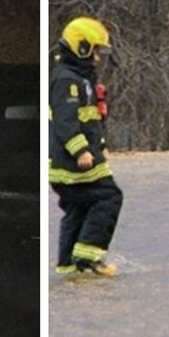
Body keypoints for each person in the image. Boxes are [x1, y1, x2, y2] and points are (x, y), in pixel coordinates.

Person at [49, 16, 123, 277]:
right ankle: (88, 257)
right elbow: (65, 122)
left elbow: (89, 121)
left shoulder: (81, 80)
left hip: (72, 162)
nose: (98, 59)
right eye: (95, 52)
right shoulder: (67, 81)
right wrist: (81, 150)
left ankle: (68, 265)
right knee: (109, 197)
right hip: (73, 163)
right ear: (81, 48)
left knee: (78, 208)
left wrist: (100, 145)